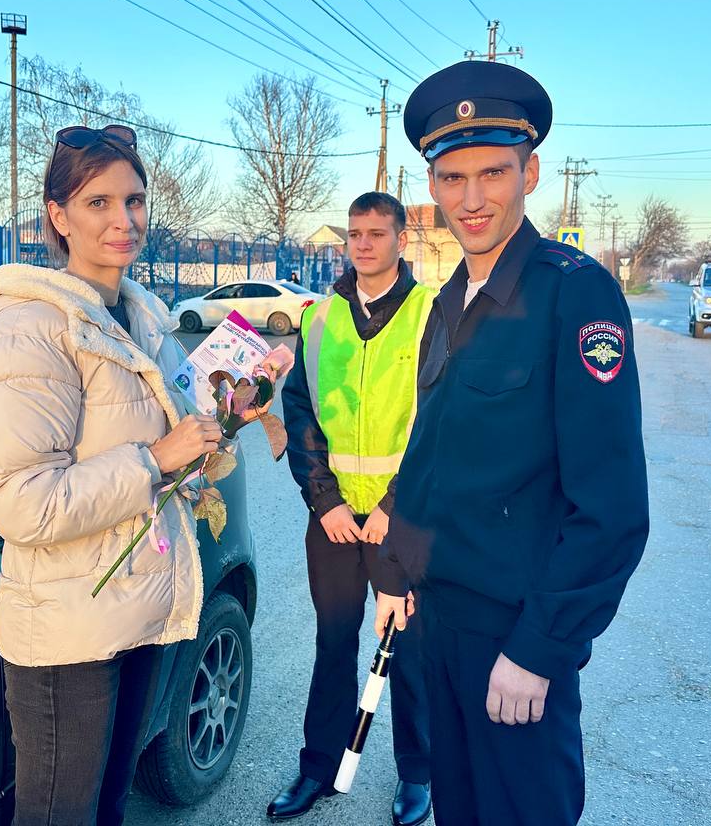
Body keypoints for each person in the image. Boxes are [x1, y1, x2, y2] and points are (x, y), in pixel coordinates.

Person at [371, 61, 651, 826]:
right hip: (440, 623)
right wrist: (392, 570)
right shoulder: (446, 303)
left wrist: (541, 648)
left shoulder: (576, 292)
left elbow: (613, 508)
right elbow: (429, 457)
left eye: (492, 172)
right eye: (452, 177)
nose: (471, 198)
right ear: (430, 186)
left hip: (517, 632)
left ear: (530, 172)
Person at [0, 124, 224, 826]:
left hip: (135, 605)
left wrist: (228, 412)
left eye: (134, 200)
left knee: (109, 806)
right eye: (99, 202)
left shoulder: (142, 321)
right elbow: (22, 502)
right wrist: (155, 460)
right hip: (66, 629)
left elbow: (181, 455)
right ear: (58, 216)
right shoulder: (32, 327)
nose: (124, 220)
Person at [269, 192, 435, 825]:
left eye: (377, 233)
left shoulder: (429, 315)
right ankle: (317, 769)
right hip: (334, 522)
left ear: (400, 241)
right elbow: (302, 413)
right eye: (355, 234)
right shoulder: (319, 318)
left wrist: (396, 505)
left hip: (404, 523)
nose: (364, 244)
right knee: (333, 644)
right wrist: (326, 501)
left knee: (412, 651)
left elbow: (436, 423)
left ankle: (418, 774)